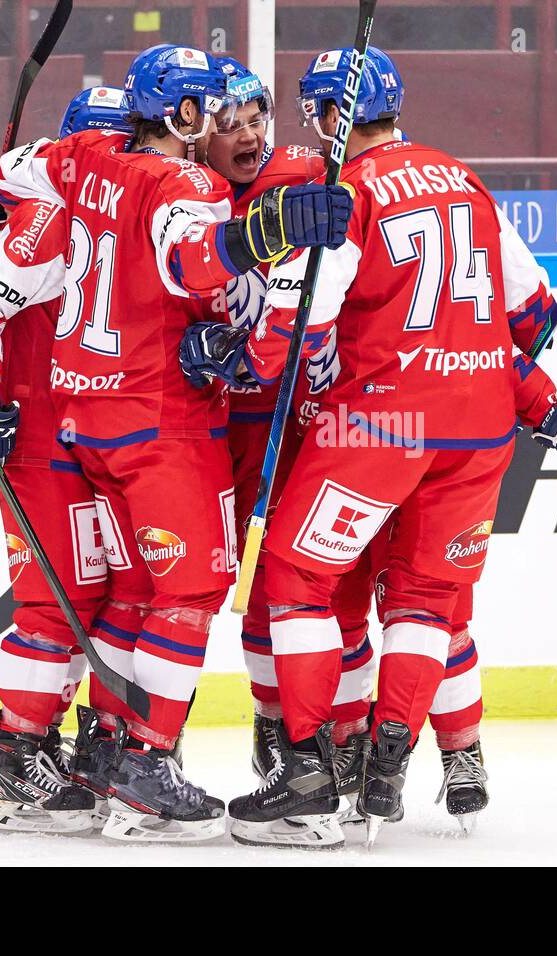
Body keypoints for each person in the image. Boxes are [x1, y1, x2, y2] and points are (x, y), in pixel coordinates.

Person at [181, 46, 557, 848]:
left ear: (326, 117)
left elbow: (301, 317)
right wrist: (547, 407)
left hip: (377, 427)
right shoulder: (465, 177)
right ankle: (387, 761)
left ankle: (312, 772)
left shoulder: (340, 191)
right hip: (481, 424)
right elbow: (526, 318)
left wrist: (241, 360)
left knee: (293, 576)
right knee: (428, 601)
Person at [0, 43, 352, 843]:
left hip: (89, 424)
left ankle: (107, 756)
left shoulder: (79, 161)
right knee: (190, 591)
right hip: (162, 423)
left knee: (138, 590)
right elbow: (191, 265)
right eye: (212, 107)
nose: (224, 123)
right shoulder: (186, 183)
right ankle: (144, 767)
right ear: (180, 115)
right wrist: (268, 230)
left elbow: (10, 171)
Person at [0, 85, 139, 835]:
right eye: (104, 145)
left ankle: (77, 748)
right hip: (40, 440)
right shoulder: (55, 215)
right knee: (52, 601)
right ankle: (17, 761)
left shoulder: (118, 213)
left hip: (95, 438)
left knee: (97, 596)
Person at [200, 58, 376, 802]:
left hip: (303, 413)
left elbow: (385, 219)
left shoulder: (312, 170)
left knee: (309, 585)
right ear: (193, 132)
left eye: (255, 120)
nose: (246, 137)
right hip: (213, 420)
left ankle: (351, 736)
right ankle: (275, 727)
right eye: (227, 126)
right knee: (238, 585)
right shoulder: (180, 189)